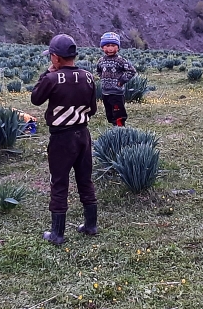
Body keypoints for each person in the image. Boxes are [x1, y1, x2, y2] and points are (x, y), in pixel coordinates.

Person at [30, 34, 98, 244]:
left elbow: (36, 99)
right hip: (83, 135)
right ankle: (90, 225)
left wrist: (46, 74)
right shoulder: (88, 77)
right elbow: (93, 109)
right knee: (85, 179)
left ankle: (57, 233)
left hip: (61, 138)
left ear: (55, 58)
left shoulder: (52, 79)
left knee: (59, 183)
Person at [95, 31, 136, 126]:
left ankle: (120, 131)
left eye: (113, 45)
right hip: (105, 92)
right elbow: (98, 71)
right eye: (107, 45)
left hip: (117, 93)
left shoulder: (120, 60)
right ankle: (114, 130)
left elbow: (131, 71)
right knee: (109, 114)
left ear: (118, 47)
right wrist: (103, 79)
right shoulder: (101, 61)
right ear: (102, 47)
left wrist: (121, 81)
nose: (110, 48)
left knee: (119, 114)